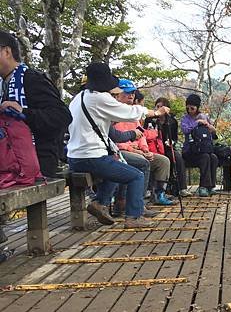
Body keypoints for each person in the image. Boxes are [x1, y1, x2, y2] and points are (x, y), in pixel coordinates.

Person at [66, 62, 169, 228]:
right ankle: (134, 217)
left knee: (116, 165)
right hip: (91, 156)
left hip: (75, 156)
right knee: (136, 175)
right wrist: (156, 113)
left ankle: (100, 202)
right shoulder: (99, 98)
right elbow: (129, 112)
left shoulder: (78, 98)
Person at [0, 31, 72, 178]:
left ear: (6, 51)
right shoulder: (3, 85)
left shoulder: (31, 79)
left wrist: (24, 113)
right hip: (9, 161)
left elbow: (62, 115)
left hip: (38, 161)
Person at [113, 79, 173, 206]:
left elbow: (141, 136)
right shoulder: (114, 113)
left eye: (133, 93)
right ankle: (136, 204)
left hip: (138, 151)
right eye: (127, 92)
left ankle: (158, 194)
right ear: (118, 93)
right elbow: (115, 140)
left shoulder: (133, 114)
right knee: (143, 162)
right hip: (121, 152)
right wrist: (136, 151)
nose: (131, 95)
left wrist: (145, 150)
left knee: (163, 161)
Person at [145, 97, 191, 197]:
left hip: (167, 148)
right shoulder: (150, 119)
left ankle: (182, 188)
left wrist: (171, 143)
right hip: (153, 148)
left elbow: (175, 138)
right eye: (158, 107)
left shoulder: (172, 121)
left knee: (177, 157)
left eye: (162, 107)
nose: (160, 109)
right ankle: (149, 189)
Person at [181, 93, 218, 197]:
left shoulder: (204, 117)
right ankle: (203, 187)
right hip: (190, 151)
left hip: (204, 148)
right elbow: (185, 130)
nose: (190, 110)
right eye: (188, 108)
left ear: (197, 107)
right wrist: (197, 123)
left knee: (213, 157)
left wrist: (208, 125)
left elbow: (213, 132)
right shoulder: (185, 119)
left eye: (192, 108)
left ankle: (210, 186)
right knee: (205, 157)